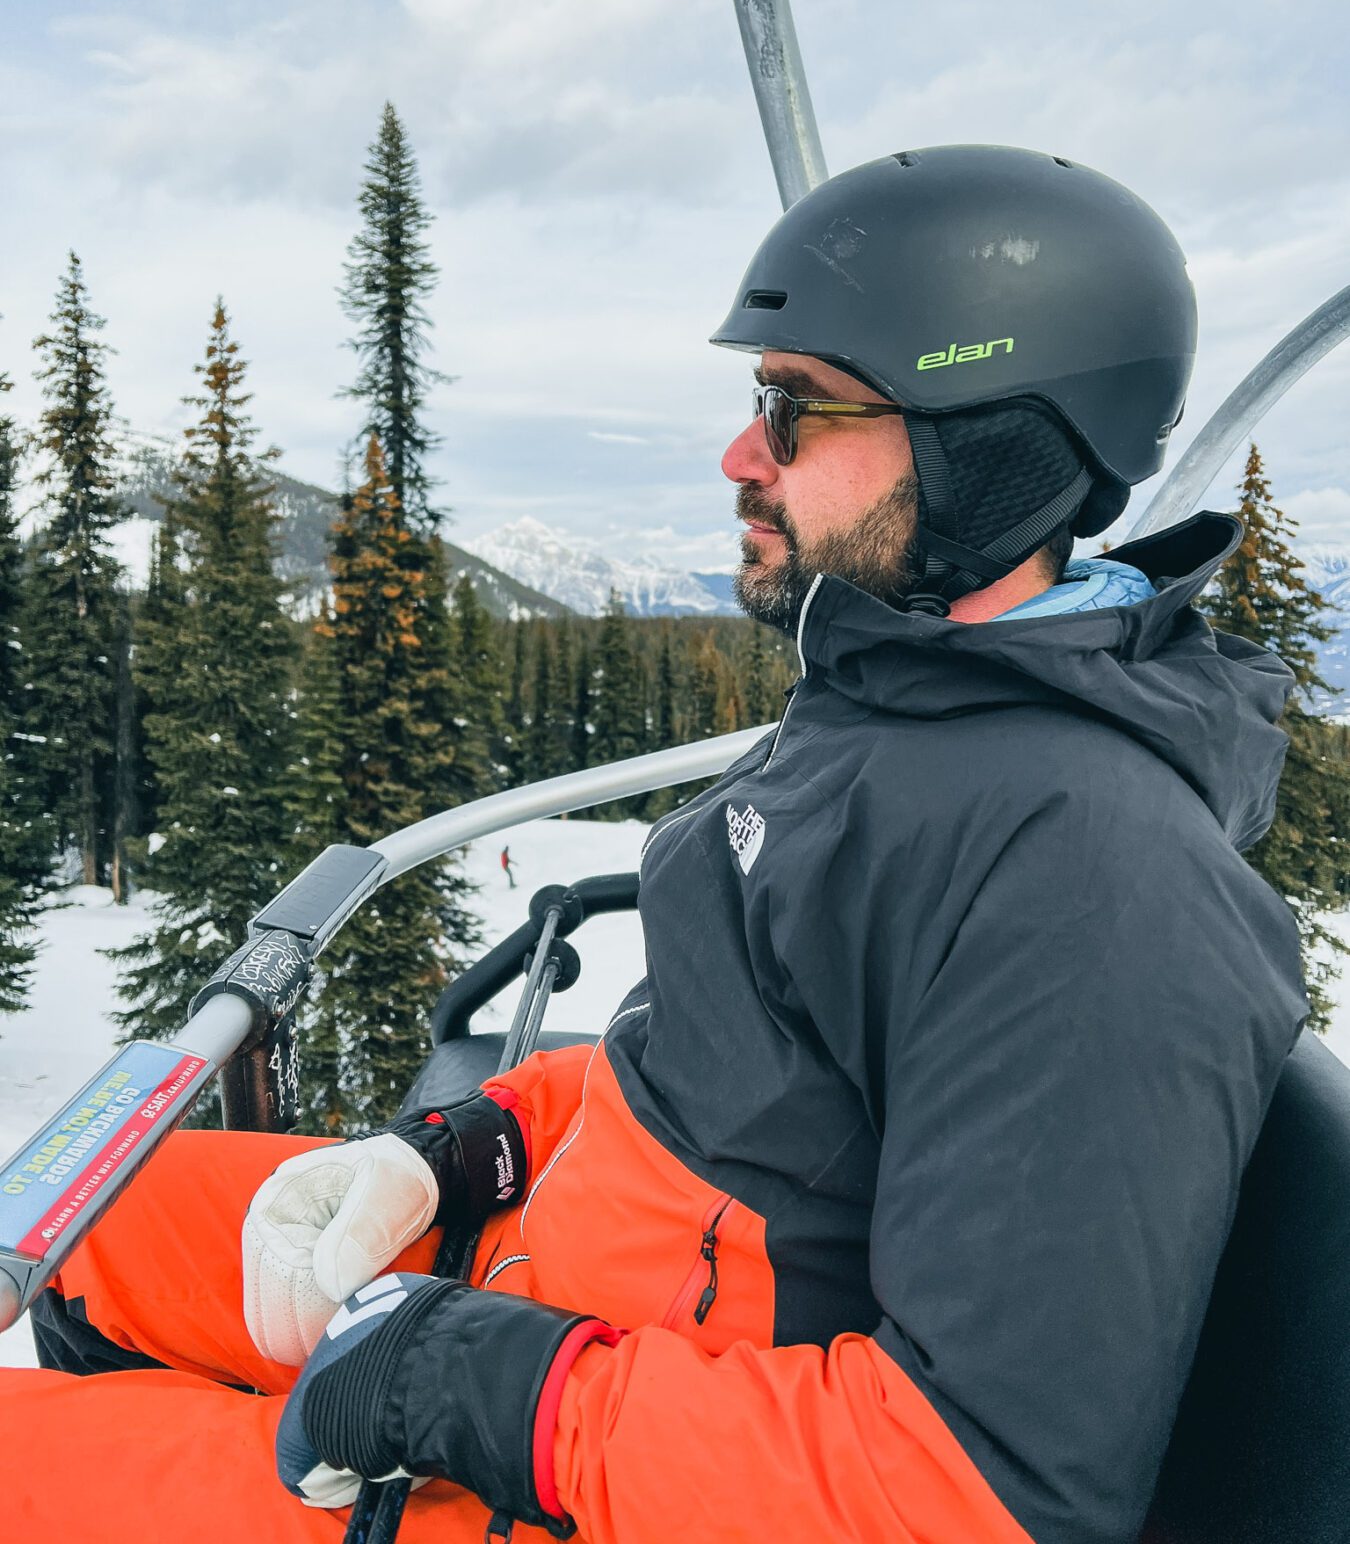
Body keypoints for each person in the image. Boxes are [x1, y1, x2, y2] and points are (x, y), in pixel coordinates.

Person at [3, 146, 1307, 1544]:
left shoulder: (1093, 883)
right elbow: (703, 1093)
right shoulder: (887, 711)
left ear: (991, 446)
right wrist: (465, 1149)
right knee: (95, 1223)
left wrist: (460, 1378)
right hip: (540, 1291)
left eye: (797, 408)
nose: (743, 453)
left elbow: (968, 1496)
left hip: (594, 1469)